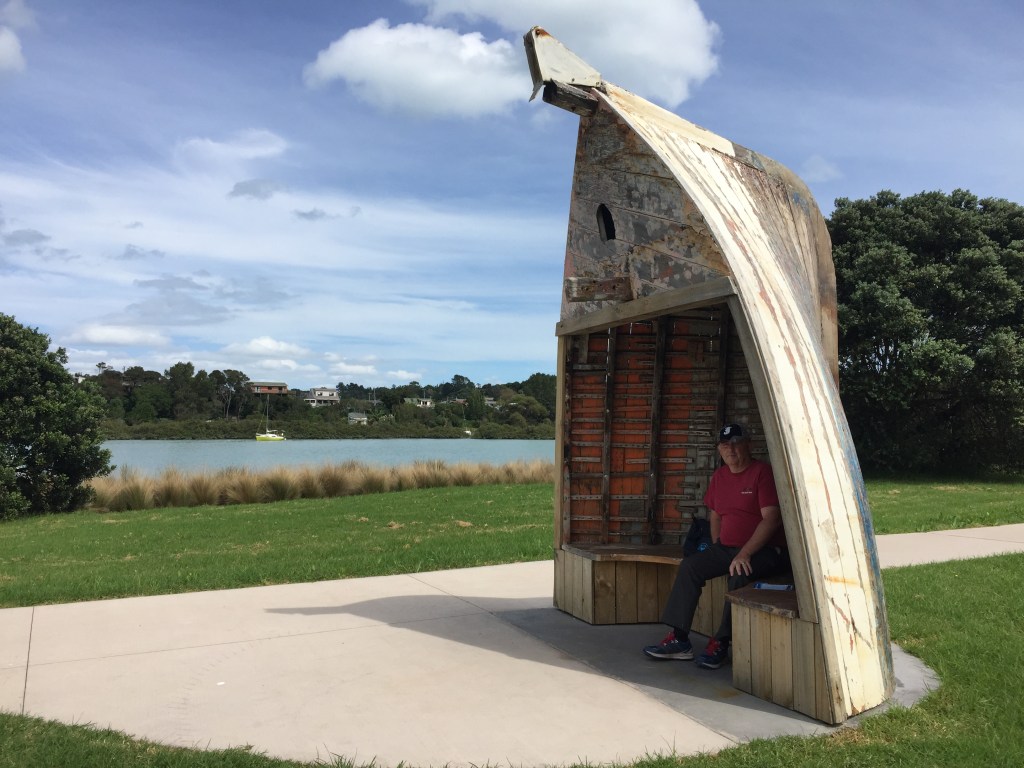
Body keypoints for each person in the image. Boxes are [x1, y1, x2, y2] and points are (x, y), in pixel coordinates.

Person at [643, 423, 789, 669]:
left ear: (748, 444)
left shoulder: (762, 473)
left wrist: (745, 553)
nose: (730, 449)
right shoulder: (720, 476)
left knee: (739, 572)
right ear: (719, 450)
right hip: (727, 547)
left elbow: (771, 519)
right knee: (690, 566)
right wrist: (716, 545)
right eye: (724, 445)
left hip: (763, 551)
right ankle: (679, 639)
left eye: (736, 443)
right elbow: (716, 516)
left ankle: (721, 642)